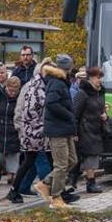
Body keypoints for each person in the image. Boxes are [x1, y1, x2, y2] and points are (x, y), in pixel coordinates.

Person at [34, 54, 79, 209]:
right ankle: (57, 197)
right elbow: (51, 104)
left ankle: (45, 183)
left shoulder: (62, 82)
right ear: (69, 67)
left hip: (64, 128)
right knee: (61, 164)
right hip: (57, 129)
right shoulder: (56, 82)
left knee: (72, 160)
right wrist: (69, 115)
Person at [10, 58, 54, 203]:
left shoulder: (42, 86)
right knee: (41, 162)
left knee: (30, 162)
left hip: (37, 132)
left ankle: (16, 189)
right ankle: (52, 190)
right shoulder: (34, 88)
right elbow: (27, 111)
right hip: (35, 133)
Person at [73, 67, 107, 194]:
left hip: (95, 128)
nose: (100, 81)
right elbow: (75, 114)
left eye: (101, 78)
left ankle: (89, 182)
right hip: (85, 130)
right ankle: (90, 182)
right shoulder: (83, 94)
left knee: (92, 156)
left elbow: (100, 109)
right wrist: (75, 132)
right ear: (91, 78)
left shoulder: (98, 93)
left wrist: (105, 116)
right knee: (89, 156)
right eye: (98, 78)